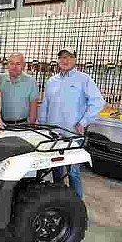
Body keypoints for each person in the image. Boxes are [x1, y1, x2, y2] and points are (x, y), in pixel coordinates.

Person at [39, 47, 105, 198]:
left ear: (74, 59)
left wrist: (84, 121)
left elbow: (98, 102)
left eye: (68, 57)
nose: (65, 60)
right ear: (58, 60)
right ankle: (59, 201)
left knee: (73, 172)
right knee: (56, 169)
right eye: (62, 57)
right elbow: (45, 105)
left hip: (74, 134)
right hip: (53, 134)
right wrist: (42, 126)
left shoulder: (84, 79)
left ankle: (77, 205)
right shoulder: (51, 81)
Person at [0, 52, 38, 125]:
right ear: (7, 65)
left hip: (23, 125)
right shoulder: (0, 79)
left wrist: (31, 126)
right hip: (3, 125)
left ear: (23, 66)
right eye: (11, 63)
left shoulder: (31, 81)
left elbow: (33, 108)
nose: (14, 67)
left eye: (18, 64)